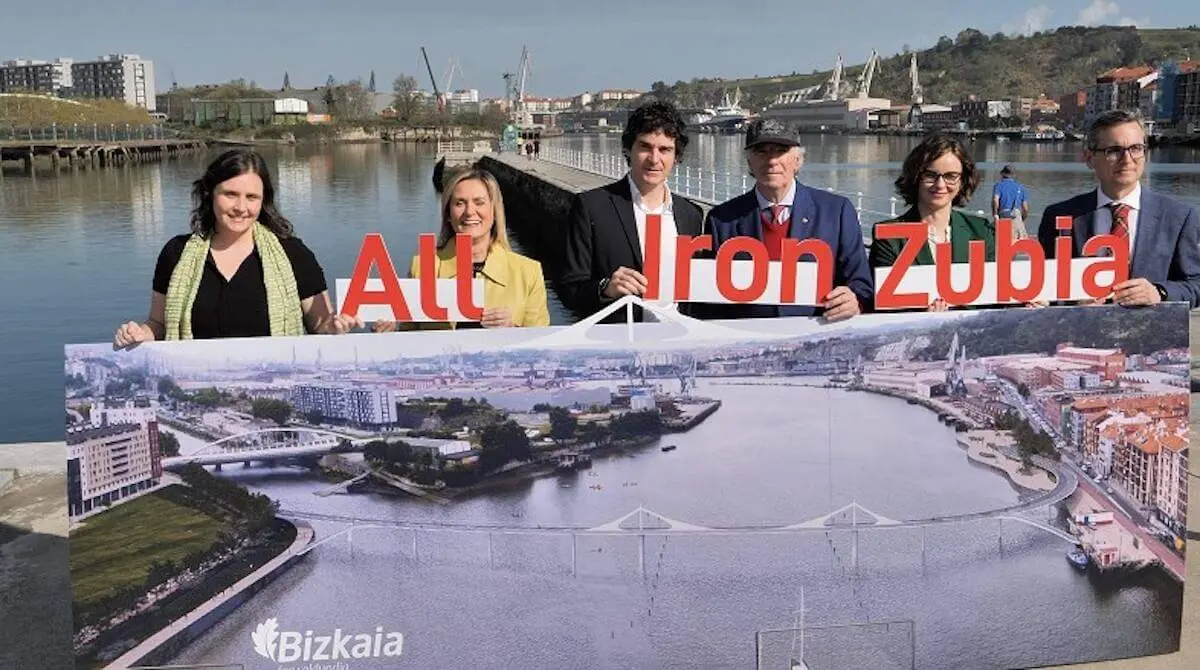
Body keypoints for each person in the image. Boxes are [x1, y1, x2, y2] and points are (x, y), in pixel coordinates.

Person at [113, 149, 357, 347]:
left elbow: (320, 325)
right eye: (230, 194)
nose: (241, 207)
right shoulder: (175, 253)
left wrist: (335, 328)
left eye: (252, 197)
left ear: (264, 201)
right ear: (210, 194)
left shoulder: (294, 254)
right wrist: (139, 333)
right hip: (196, 394)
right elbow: (159, 323)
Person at [698, 117, 871, 321]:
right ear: (749, 162)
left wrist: (854, 301)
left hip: (817, 337)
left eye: (780, 151)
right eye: (761, 151)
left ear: (798, 159)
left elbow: (862, 285)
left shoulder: (836, 212)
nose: (771, 160)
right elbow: (709, 302)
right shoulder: (721, 220)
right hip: (748, 341)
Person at [1037, 109, 1200, 308]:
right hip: (1080, 335)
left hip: (1150, 335)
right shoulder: (1059, 216)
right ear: (1089, 158)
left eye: (1136, 148)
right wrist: (1069, 302)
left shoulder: (1179, 218)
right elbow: (1045, 285)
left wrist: (1160, 292)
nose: (1127, 159)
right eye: (1114, 150)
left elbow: (1195, 284)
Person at [559, 100, 704, 323]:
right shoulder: (591, 207)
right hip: (619, 347)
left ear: (676, 157)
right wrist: (605, 288)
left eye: (665, 149)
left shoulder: (690, 214)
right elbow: (570, 290)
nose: (654, 159)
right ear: (628, 149)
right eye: (645, 146)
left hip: (677, 345)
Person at [375, 166, 549, 330]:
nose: (469, 212)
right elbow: (409, 342)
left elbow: (544, 349)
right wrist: (387, 332)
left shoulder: (528, 273)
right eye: (459, 203)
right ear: (448, 215)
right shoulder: (422, 267)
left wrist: (513, 330)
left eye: (479, 202)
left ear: (494, 212)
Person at [870, 134, 996, 311]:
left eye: (951, 176)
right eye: (930, 175)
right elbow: (880, 308)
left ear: (963, 180)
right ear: (915, 177)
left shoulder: (982, 231)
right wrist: (924, 319)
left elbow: (996, 300)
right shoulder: (889, 237)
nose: (940, 184)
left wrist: (1029, 304)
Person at [992, 165, 1030, 238]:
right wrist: (1022, 219)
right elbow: (1025, 208)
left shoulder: (998, 186)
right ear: (1013, 175)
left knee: (1002, 241)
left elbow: (995, 200)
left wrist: (995, 214)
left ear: (1002, 174)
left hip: (1003, 216)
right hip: (1017, 217)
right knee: (1020, 242)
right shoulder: (1020, 187)